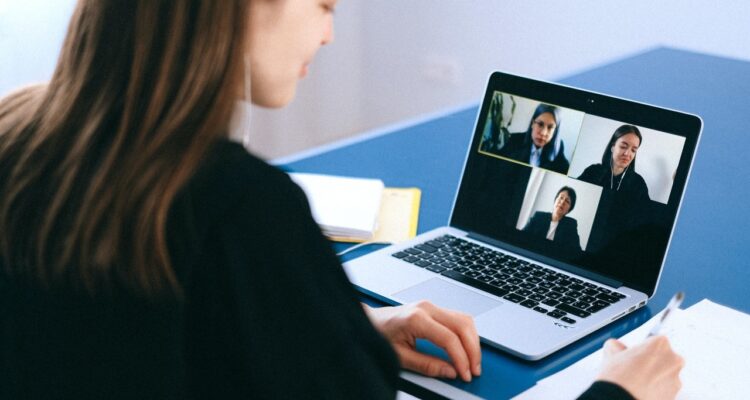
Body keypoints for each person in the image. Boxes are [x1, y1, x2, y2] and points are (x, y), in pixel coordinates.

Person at [0, 1, 682, 399]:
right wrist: (614, 394)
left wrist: (343, 329)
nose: (328, 34)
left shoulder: (17, 132)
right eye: (324, 4)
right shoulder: (242, 209)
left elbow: (145, 332)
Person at [578, 125, 651, 253]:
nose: (628, 154)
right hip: (586, 237)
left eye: (634, 150)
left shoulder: (638, 183)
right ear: (612, 147)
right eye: (623, 146)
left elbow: (643, 222)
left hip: (618, 247)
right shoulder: (593, 171)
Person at [500, 103, 570, 174]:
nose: (543, 133)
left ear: (555, 131)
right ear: (532, 123)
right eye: (540, 124)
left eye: (550, 127)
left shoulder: (558, 148)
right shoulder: (515, 140)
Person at [523, 186, 583, 252]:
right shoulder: (538, 216)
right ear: (555, 200)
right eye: (561, 197)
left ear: (569, 209)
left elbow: (576, 251)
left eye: (567, 201)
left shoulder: (570, 225)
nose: (562, 202)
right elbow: (522, 236)